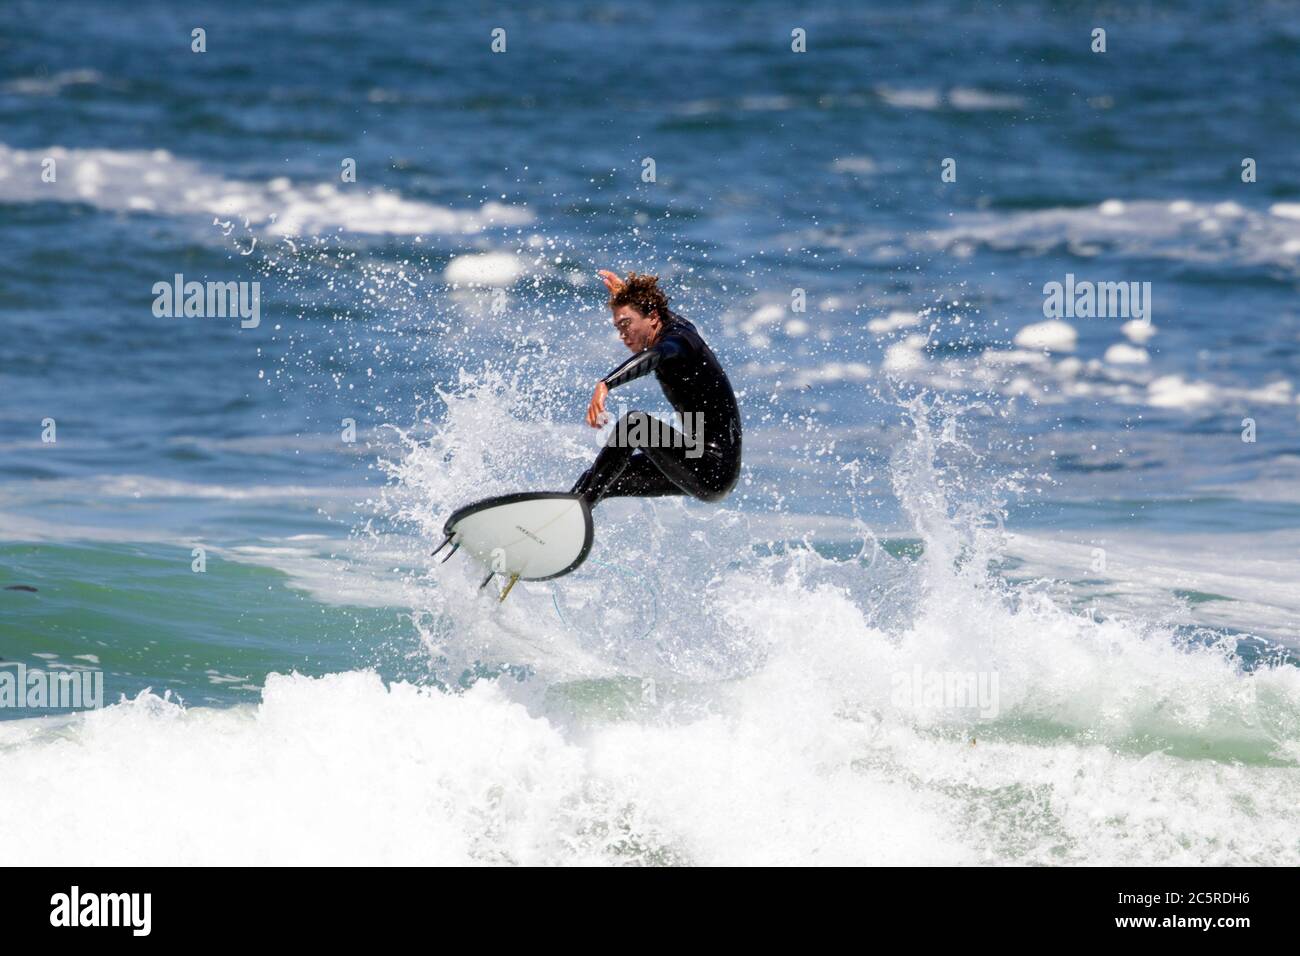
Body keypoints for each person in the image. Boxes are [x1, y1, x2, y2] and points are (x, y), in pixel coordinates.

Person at [569, 270, 742, 508]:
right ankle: (561, 524)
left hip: (711, 471)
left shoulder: (678, 342)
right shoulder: (668, 322)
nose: (622, 335)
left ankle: (577, 512)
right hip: (693, 457)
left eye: (626, 324)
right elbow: (652, 317)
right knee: (595, 478)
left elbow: (654, 357)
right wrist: (628, 298)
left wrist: (606, 384)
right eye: (618, 327)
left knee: (635, 425)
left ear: (651, 317)